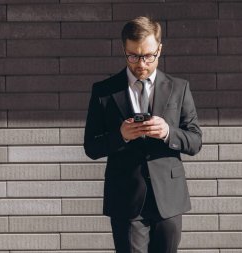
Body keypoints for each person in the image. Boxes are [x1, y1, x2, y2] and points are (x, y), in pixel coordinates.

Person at [83, 16, 202, 253]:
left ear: (160, 49)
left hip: (168, 199)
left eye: (148, 56)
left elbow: (195, 141)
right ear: (123, 50)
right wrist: (121, 135)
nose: (141, 63)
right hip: (126, 199)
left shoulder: (179, 87)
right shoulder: (104, 91)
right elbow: (91, 147)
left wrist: (168, 132)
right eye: (133, 56)